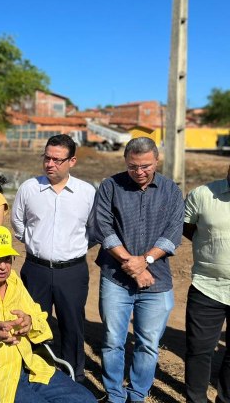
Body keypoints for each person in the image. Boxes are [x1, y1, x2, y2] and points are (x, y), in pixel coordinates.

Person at [0, 225, 97, 403]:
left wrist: (30, 323)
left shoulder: (13, 280)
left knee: (86, 399)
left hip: (33, 367)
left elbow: (41, 322)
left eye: (7, 258)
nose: (3, 266)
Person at [91, 137, 184, 403]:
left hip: (157, 278)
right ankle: (115, 395)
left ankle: (137, 393)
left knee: (148, 344)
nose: (139, 172)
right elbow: (103, 228)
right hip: (115, 278)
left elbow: (173, 234)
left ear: (157, 161)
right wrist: (133, 265)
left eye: (145, 166)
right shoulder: (110, 186)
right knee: (112, 341)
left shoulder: (171, 191)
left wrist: (146, 261)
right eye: (133, 166)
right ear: (125, 162)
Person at [11, 134, 95, 382]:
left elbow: (94, 229)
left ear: (72, 161)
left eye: (57, 159)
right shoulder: (29, 188)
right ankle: (36, 373)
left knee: (72, 325)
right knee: (32, 324)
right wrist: (37, 243)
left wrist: (71, 249)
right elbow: (17, 222)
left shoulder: (87, 192)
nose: (50, 164)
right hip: (35, 269)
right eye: (46, 158)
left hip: (72, 271)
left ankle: (74, 376)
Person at [183, 164, 230, 403]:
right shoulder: (202, 195)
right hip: (207, 286)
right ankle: (196, 399)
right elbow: (189, 228)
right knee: (199, 350)